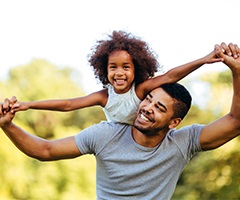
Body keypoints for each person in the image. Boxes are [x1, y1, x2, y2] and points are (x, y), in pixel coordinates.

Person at [0, 42, 240, 199]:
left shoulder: (182, 142)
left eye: (159, 108)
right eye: (148, 100)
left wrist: (236, 71)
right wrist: (7, 125)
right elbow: (45, 149)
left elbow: (235, 121)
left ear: (173, 122)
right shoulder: (106, 134)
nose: (146, 108)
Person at [10, 30, 224, 125]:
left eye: (126, 67)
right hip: (117, 142)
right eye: (113, 67)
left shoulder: (140, 91)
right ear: (105, 70)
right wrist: (29, 105)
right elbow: (68, 104)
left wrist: (203, 60)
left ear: (136, 69)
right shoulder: (104, 96)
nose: (119, 73)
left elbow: (170, 76)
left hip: (144, 138)